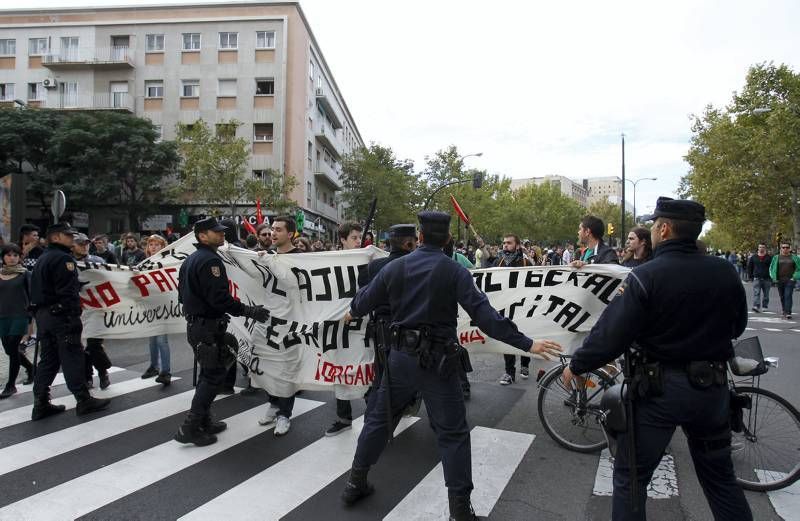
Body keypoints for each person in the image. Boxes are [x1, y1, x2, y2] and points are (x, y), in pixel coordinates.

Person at [340, 211, 563, 521]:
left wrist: (351, 312)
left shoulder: (396, 268)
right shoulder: (455, 271)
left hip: (400, 359)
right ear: (446, 240)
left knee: (378, 419)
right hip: (438, 364)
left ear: (418, 237)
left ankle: (355, 482)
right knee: (453, 435)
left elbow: (363, 302)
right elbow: (487, 319)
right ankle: (459, 510)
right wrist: (528, 344)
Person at [562, 197, 753, 521]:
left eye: (653, 225)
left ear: (664, 229)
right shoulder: (725, 272)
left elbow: (611, 333)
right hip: (712, 391)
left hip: (659, 392)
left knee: (631, 479)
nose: (651, 230)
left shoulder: (646, 276)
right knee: (721, 481)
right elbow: (737, 325)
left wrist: (577, 365)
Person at [175, 217, 269, 446]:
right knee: (213, 376)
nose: (221, 234)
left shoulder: (192, 259)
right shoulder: (210, 262)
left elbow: (182, 295)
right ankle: (190, 426)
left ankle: (204, 420)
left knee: (209, 374)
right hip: (207, 327)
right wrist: (249, 311)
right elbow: (220, 299)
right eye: (215, 232)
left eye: (221, 231)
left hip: (198, 325)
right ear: (202, 236)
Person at [29, 222, 111, 420]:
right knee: (72, 355)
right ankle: (83, 399)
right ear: (55, 237)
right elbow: (66, 291)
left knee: (48, 360)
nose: (72, 238)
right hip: (62, 316)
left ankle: (40, 402)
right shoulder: (63, 259)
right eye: (68, 235)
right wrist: (73, 313)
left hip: (44, 315)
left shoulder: (43, 258)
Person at [257, 215, 302, 436]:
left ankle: (285, 413)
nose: (273, 233)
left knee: (286, 369)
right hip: (269, 320)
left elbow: (293, 284)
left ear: (291, 233)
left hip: (291, 322)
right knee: (269, 366)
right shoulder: (268, 256)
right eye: (272, 229)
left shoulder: (301, 258)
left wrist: (270, 263)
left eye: (279, 230)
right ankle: (274, 403)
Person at [323, 222, 364, 437]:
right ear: (343, 239)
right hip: (339, 326)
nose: (359, 241)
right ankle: (343, 418)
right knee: (339, 369)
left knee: (367, 368)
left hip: (363, 325)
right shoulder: (330, 261)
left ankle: (378, 416)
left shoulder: (368, 259)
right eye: (354, 238)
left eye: (359, 237)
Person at [72, 234, 114, 390]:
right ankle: (87, 376)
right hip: (78, 310)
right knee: (81, 346)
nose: (84, 246)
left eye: (86, 244)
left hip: (96, 309)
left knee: (93, 344)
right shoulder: (68, 262)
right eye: (80, 244)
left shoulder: (98, 262)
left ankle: (103, 372)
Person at [493, 234, 532, 386]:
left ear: (517, 245)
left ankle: (525, 364)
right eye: (503, 243)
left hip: (522, 308)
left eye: (509, 243)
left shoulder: (525, 262)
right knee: (507, 338)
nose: (505, 246)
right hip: (504, 307)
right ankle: (509, 372)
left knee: (524, 335)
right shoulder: (500, 261)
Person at [0, 244, 34, 398]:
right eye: (8, 255)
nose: (12, 258)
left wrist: (31, 317)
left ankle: (11, 385)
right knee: (9, 350)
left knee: (13, 348)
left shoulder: (25, 274)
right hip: (2, 316)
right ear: (3, 257)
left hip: (20, 315)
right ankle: (31, 368)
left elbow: (32, 295)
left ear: (20, 257)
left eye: (15, 255)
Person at [141, 235, 172, 385]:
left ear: (162, 247)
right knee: (152, 338)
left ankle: (166, 371)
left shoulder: (166, 262)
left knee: (161, 340)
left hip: (162, 305)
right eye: (151, 244)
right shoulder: (145, 263)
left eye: (156, 245)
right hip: (149, 304)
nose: (153, 247)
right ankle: (154, 365)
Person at [770, 242, 800, 320]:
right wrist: (773, 277)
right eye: (783, 247)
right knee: (782, 296)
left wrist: (794, 277)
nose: (785, 249)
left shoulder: (795, 257)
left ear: (790, 249)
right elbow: (771, 268)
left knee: (788, 295)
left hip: (790, 280)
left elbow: (798, 268)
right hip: (779, 280)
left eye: (787, 247)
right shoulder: (776, 257)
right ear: (781, 249)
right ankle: (784, 310)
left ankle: (788, 312)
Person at [746, 243, 772, 312]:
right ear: (758, 248)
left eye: (763, 247)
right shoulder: (754, 257)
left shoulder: (769, 257)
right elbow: (750, 267)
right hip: (757, 278)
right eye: (760, 247)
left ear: (765, 248)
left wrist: (772, 277)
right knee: (756, 293)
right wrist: (750, 277)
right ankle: (756, 306)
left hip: (767, 278)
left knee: (766, 294)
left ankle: (764, 306)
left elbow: (772, 268)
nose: (761, 248)